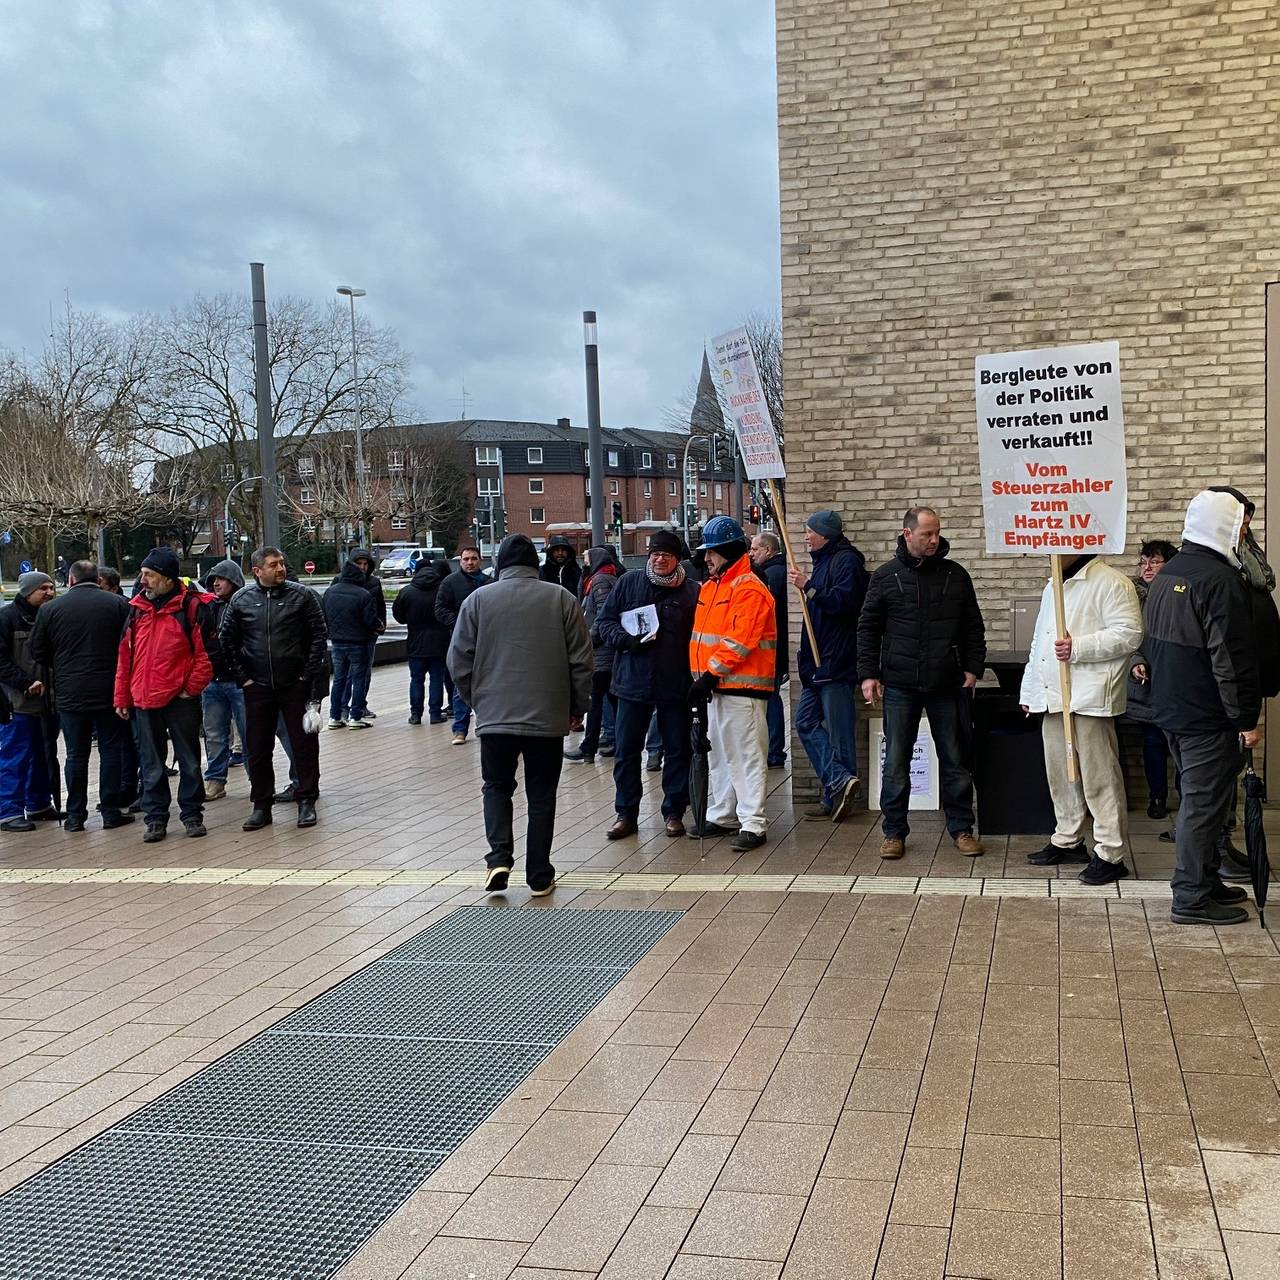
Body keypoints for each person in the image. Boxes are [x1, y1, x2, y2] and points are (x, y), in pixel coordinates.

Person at [447, 534, 592, 896]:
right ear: (535, 563)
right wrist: (576, 708)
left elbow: (458, 659)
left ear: (500, 564)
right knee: (541, 795)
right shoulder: (562, 598)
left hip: (495, 717)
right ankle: (539, 875)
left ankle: (498, 858)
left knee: (497, 787)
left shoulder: (477, 600)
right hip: (547, 718)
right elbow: (581, 660)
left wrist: (478, 700)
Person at [1143, 490, 1261, 926]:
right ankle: (1191, 897)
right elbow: (1230, 659)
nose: (1244, 532)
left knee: (1204, 800)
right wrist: (1245, 718)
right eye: (1240, 524)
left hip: (1172, 710)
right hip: (1206, 715)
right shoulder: (1219, 580)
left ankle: (1207, 882)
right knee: (1203, 806)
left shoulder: (1171, 572)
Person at [858, 507, 987, 859]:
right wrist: (868, 674)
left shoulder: (955, 575)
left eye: (937, 533)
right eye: (927, 534)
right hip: (900, 684)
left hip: (947, 683)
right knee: (896, 762)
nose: (934, 540)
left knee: (956, 760)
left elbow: (973, 626)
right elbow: (868, 628)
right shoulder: (885, 576)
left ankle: (962, 829)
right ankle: (893, 832)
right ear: (907, 534)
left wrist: (973, 668)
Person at [1018, 555, 1143, 884]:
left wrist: (1079, 647)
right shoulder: (1053, 585)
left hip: (1090, 696)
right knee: (1060, 773)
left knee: (1099, 777)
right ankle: (1068, 838)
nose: (1049, 549)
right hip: (1053, 695)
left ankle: (1111, 852)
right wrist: (1030, 690)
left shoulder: (1112, 582)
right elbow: (1040, 642)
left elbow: (1130, 633)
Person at [595, 529, 700, 839]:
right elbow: (604, 622)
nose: (659, 559)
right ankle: (626, 813)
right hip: (632, 682)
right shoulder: (629, 583)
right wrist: (626, 641)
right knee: (627, 751)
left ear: (677, 559)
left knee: (677, 750)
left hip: (675, 683)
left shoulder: (692, 592)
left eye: (666, 555)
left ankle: (674, 811)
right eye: (655, 554)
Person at [219, 546, 328, 831]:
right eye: (273, 565)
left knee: (304, 745)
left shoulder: (301, 596)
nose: (280, 568)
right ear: (257, 571)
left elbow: (319, 635)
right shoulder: (242, 599)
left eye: (281, 563)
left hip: (294, 685)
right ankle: (261, 805)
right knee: (257, 747)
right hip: (257, 687)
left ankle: (306, 800)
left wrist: (306, 675)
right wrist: (243, 677)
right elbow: (226, 640)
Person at [113, 549, 214, 842]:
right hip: (144, 698)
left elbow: (206, 655)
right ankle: (155, 818)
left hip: (179, 699)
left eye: (149, 574)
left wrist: (189, 689)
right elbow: (125, 656)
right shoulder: (136, 609)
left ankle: (191, 814)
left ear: (167, 578)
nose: (142, 580)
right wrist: (122, 697)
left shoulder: (192, 608)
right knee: (151, 763)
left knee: (189, 761)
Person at [689, 518, 777, 850]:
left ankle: (753, 823)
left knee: (745, 755)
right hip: (718, 686)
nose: (706, 558)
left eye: (711, 552)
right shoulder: (715, 586)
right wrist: (704, 678)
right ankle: (725, 815)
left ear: (727, 551)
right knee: (723, 755)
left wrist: (708, 675)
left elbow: (740, 640)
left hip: (740, 687)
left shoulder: (748, 588)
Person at [29, 560, 133, 832]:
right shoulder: (118, 604)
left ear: (71, 579)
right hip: (109, 689)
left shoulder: (50, 609)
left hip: (69, 690)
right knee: (111, 751)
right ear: (98, 580)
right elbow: (130, 644)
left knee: (75, 755)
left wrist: (61, 664)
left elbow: (37, 650)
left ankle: (75, 816)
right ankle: (111, 812)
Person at [789, 511, 869, 822]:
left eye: (810, 531)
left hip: (836, 662)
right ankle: (838, 782)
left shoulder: (846, 561)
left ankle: (838, 797)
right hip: (817, 666)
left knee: (840, 734)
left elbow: (844, 603)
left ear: (824, 534)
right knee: (805, 722)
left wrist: (809, 586)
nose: (806, 537)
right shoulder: (824, 561)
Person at [0, 572, 58, 832]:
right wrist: (25, 683)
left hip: (46, 702)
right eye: (43, 588)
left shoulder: (48, 616)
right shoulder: (6, 618)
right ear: (27, 591)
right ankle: (9, 811)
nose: (49, 593)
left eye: (51, 587)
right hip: (17, 702)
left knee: (42, 754)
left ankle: (39, 804)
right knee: (15, 755)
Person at [1131, 539, 1179, 818]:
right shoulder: (1132, 597)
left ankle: (1186, 798)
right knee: (1153, 741)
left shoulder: (1179, 594)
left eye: (1154, 561)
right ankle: (1157, 797)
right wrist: (1136, 662)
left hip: (1177, 681)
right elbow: (1127, 638)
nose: (1147, 567)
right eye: (1143, 562)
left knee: (1181, 743)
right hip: (1147, 683)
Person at [564, 546, 623, 764]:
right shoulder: (606, 578)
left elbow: (602, 613)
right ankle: (618, 744)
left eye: (587, 558)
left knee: (596, 702)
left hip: (601, 653)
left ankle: (588, 748)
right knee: (612, 701)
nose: (585, 562)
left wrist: (589, 639)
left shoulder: (600, 581)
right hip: (607, 652)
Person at [200, 559, 247, 801]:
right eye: (213, 580)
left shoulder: (245, 605)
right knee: (214, 735)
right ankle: (215, 781)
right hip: (213, 680)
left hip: (239, 681)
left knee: (249, 734)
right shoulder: (209, 608)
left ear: (234, 581)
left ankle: (258, 780)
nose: (216, 583)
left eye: (221, 579)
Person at [435, 546, 491, 744]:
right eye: (466, 559)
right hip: (461, 641)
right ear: (460, 561)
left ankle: (486, 726)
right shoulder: (450, 582)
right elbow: (440, 609)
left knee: (488, 686)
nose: (470, 562)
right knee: (461, 684)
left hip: (487, 641)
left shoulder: (489, 583)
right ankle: (460, 729)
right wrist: (460, 624)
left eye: (473, 559)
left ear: (480, 560)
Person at [322, 557, 383, 730]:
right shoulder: (363, 594)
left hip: (337, 643)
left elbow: (324, 616)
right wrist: (379, 626)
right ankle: (355, 716)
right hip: (358, 643)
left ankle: (334, 716)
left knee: (338, 680)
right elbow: (370, 620)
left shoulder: (330, 592)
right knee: (358, 679)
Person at [392, 558, 454, 724]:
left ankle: (415, 715)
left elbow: (399, 617)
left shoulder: (407, 592)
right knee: (436, 679)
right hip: (439, 643)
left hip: (415, 643)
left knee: (416, 680)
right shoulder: (442, 590)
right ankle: (435, 714)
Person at [750, 531, 790, 769]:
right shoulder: (779, 571)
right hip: (778, 648)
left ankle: (774, 751)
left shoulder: (770, 575)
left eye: (755, 549)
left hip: (770, 650)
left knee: (770, 699)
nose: (751, 554)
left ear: (768, 550)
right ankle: (774, 751)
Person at [346, 549, 386, 723]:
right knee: (347, 673)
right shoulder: (342, 581)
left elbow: (380, 606)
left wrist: (381, 626)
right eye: (359, 564)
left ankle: (360, 704)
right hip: (350, 634)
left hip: (369, 633)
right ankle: (344, 706)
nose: (362, 567)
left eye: (365, 564)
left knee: (365, 672)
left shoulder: (374, 582)